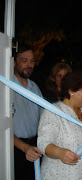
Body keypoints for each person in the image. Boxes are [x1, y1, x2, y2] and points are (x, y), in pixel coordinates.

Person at [37, 71, 82, 180]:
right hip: (61, 175)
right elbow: (43, 143)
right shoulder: (53, 112)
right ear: (71, 91)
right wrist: (59, 152)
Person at [13, 43, 43, 180]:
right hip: (16, 150)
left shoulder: (34, 87)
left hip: (36, 147)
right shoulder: (5, 88)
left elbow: (44, 118)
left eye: (32, 61)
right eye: (24, 60)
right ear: (14, 62)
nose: (29, 65)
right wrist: (25, 148)